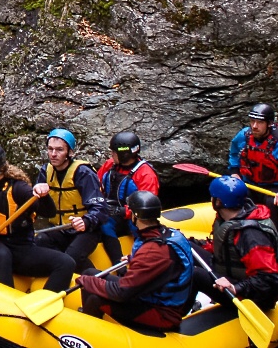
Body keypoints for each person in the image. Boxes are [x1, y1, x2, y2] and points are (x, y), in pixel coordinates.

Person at [0, 142, 75, 292]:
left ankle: (41, 303)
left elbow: (49, 212)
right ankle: (3, 304)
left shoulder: (19, 188)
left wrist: (44, 196)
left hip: (21, 249)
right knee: (3, 254)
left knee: (66, 263)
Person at [77, 190, 195, 332]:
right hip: (148, 295)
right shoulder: (170, 234)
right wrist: (134, 259)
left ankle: (87, 337)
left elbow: (121, 293)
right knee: (91, 272)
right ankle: (89, 317)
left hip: (162, 313)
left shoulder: (153, 251)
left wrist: (86, 281)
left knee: (95, 297)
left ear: (135, 215)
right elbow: (159, 264)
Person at [191, 175, 278, 310]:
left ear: (218, 202)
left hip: (250, 296)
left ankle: (172, 319)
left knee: (196, 274)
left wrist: (235, 288)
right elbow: (224, 250)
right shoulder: (227, 219)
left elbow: (268, 279)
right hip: (231, 277)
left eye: (212, 197)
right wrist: (194, 243)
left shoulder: (251, 236)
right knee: (185, 247)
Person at [33, 128, 109, 270]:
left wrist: (86, 221)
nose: (53, 154)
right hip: (59, 228)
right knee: (39, 241)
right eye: (50, 149)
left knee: (72, 257)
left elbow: (101, 209)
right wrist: (40, 197)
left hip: (86, 230)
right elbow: (43, 211)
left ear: (70, 152)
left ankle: (96, 280)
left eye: (59, 150)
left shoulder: (83, 173)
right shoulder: (45, 171)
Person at [98, 130, 159, 264]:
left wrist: (123, 211)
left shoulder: (146, 174)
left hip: (134, 215)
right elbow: (97, 184)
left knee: (138, 226)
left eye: (114, 152)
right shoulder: (110, 165)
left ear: (124, 154)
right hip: (111, 212)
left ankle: (144, 257)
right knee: (105, 224)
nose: (111, 154)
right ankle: (118, 264)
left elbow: (147, 207)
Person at [227, 103, 278, 225]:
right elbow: (234, 153)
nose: (254, 126)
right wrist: (234, 172)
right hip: (249, 184)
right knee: (233, 193)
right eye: (252, 121)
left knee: (273, 203)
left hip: (273, 188)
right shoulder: (244, 135)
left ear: (269, 123)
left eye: (259, 122)